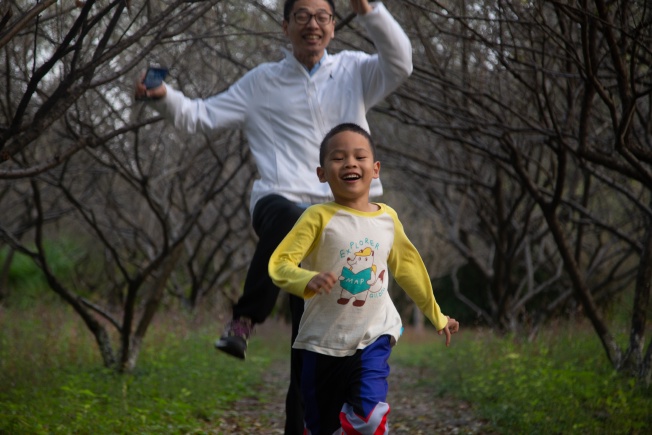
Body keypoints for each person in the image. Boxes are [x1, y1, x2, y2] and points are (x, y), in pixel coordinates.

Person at [134, 0, 412, 432]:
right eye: (301, 16)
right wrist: (164, 96)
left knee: (314, 345)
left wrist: (372, 11)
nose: (312, 24)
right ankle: (244, 320)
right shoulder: (261, 82)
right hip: (279, 203)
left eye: (322, 16)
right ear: (285, 26)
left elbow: (401, 63)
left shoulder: (355, 72)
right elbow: (202, 116)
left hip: (344, 223)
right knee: (291, 217)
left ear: (335, 27)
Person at [269, 123, 460, 434]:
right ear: (321, 173)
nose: (350, 163)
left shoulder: (388, 219)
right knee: (320, 427)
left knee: (369, 418)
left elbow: (409, 267)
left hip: (373, 336)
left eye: (359, 156)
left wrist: (437, 316)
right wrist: (305, 279)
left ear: (375, 169)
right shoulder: (317, 217)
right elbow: (280, 263)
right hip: (321, 343)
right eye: (338, 158)